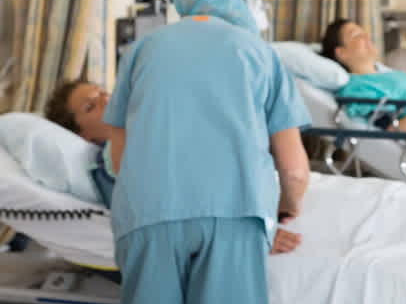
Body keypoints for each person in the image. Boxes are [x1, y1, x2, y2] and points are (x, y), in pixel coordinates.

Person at [103, 0, 312, 304]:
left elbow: (120, 155)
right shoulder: (258, 54)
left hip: (148, 213)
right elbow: (294, 170)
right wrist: (283, 211)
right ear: (238, 13)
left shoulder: (143, 49)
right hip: (235, 215)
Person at [44, 79, 302, 255]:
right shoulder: (110, 163)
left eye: (102, 91)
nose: (106, 99)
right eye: (91, 106)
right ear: (83, 135)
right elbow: (167, 212)